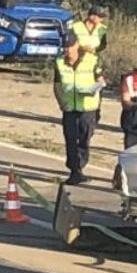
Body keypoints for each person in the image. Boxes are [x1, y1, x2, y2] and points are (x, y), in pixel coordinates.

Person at [54, 31, 105, 185]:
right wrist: (60, 102)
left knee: (84, 137)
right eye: (64, 47)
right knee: (70, 138)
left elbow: (101, 81)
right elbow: (57, 85)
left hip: (87, 107)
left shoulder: (91, 60)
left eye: (69, 46)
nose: (67, 50)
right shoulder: (59, 62)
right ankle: (75, 170)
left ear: (76, 45)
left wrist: (95, 89)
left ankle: (81, 162)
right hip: (69, 107)